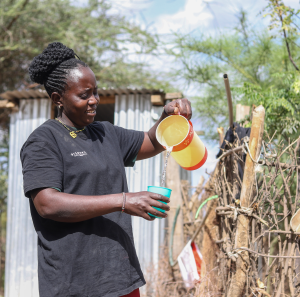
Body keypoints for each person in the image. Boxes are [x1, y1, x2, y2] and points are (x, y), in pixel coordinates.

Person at [20, 42, 192, 297]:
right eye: (84, 95)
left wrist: (168, 117)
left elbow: (154, 141)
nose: (94, 101)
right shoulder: (44, 141)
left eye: (96, 92)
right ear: (58, 99)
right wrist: (123, 201)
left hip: (120, 279)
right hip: (73, 284)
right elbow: (47, 204)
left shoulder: (105, 133)